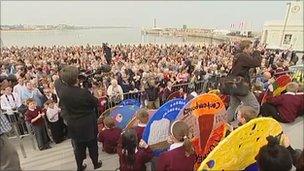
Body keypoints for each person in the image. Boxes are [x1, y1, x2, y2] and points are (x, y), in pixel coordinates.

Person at [54, 65, 102, 171]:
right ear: (76, 78)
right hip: (88, 124)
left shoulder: (62, 92)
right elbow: (95, 102)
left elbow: (58, 83)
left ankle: (80, 167)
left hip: (74, 125)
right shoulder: (83, 93)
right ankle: (96, 164)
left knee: (78, 148)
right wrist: (93, 90)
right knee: (93, 146)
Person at [227, 40, 261, 122]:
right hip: (240, 87)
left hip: (234, 85)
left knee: (233, 107)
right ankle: (247, 122)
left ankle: (223, 125)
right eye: (251, 48)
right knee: (255, 106)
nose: (252, 50)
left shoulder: (238, 55)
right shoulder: (243, 56)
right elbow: (256, 62)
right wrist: (257, 51)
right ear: (246, 48)